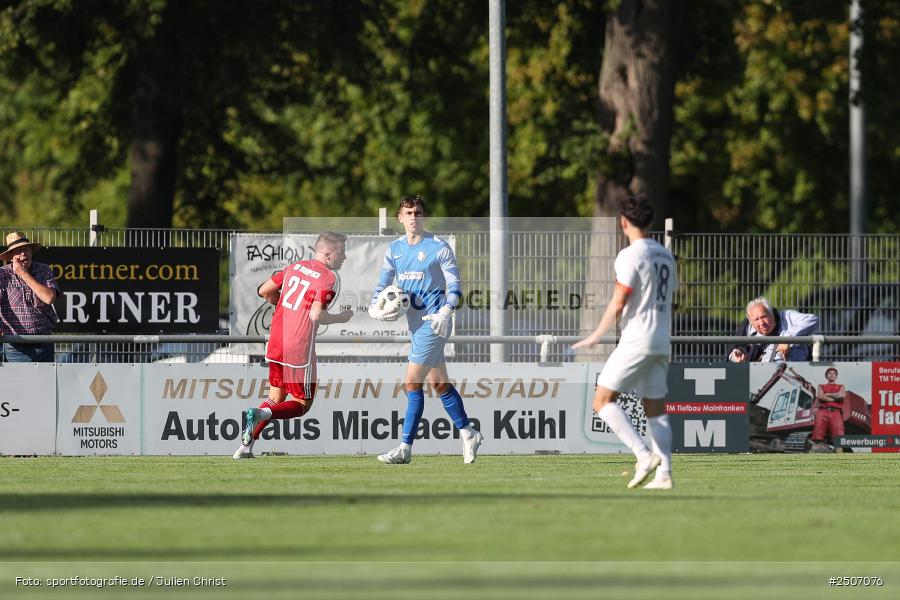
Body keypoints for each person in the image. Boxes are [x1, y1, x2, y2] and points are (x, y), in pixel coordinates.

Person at [572, 195, 677, 490]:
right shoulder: (665, 255)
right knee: (655, 407)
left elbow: (619, 301)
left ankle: (643, 456)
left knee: (602, 400)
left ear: (624, 222)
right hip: (661, 339)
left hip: (638, 338)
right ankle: (665, 474)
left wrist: (595, 335)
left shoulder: (630, 255)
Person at [368, 195, 483, 464]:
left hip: (435, 323)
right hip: (415, 324)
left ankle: (404, 449)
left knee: (411, 383)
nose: (413, 217)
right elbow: (383, 284)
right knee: (440, 384)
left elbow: (455, 288)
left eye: (418, 212)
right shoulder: (394, 250)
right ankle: (468, 433)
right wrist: (375, 306)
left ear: (424, 217)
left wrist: (446, 311)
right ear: (400, 217)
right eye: (408, 212)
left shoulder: (439, 248)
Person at [233, 231, 353, 459]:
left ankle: (244, 448)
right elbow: (317, 315)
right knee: (301, 404)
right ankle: (259, 414)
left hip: (276, 341)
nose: (344, 257)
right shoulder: (329, 278)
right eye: (341, 252)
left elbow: (264, 291)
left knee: (275, 397)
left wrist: (284, 306)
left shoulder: (296, 266)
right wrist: (341, 317)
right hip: (298, 347)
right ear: (327, 254)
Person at [0, 231, 59, 362]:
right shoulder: (2, 275)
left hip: (45, 343)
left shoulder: (43, 269)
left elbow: (49, 298)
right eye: (18, 251)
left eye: (26, 249)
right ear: (10, 256)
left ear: (31, 251)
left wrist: (23, 274)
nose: (23, 254)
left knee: (45, 383)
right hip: (17, 347)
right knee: (20, 382)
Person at [728, 297, 818, 362]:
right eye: (756, 319)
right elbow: (735, 350)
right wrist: (735, 357)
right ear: (750, 321)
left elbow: (812, 319)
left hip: (795, 370)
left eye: (763, 317)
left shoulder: (787, 316)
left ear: (771, 314)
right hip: (762, 375)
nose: (761, 322)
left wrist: (787, 339)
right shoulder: (746, 329)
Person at [811, 366, 845, 452]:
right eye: (830, 373)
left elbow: (841, 395)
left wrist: (828, 394)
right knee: (817, 437)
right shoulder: (821, 386)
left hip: (836, 412)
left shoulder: (841, 386)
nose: (832, 375)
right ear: (826, 376)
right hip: (822, 411)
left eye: (834, 373)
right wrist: (835, 397)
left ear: (836, 376)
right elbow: (820, 396)